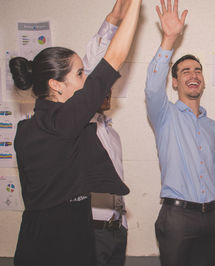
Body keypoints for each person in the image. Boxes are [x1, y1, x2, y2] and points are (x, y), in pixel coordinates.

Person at [9, 0, 141, 265]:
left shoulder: (26, 127)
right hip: (64, 244)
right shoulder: (65, 122)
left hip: (34, 240)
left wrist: (113, 18)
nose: (87, 79)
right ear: (56, 85)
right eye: (81, 74)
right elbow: (113, 60)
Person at [145, 0, 215, 265]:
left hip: (211, 218)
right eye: (185, 71)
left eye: (197, 70)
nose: (193, 74)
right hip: (177, 218)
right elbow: (152, 88)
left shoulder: (212, 127)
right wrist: (168, 40)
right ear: (175, 82)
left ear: (204, 81)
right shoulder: (165, 115)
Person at [91, 91, 128, 266]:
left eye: (109, 87)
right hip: (92, 229)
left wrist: (123, 225)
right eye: (100, 86)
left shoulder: (114, 134)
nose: (107, 91)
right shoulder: (79, 131)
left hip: (118, 229)